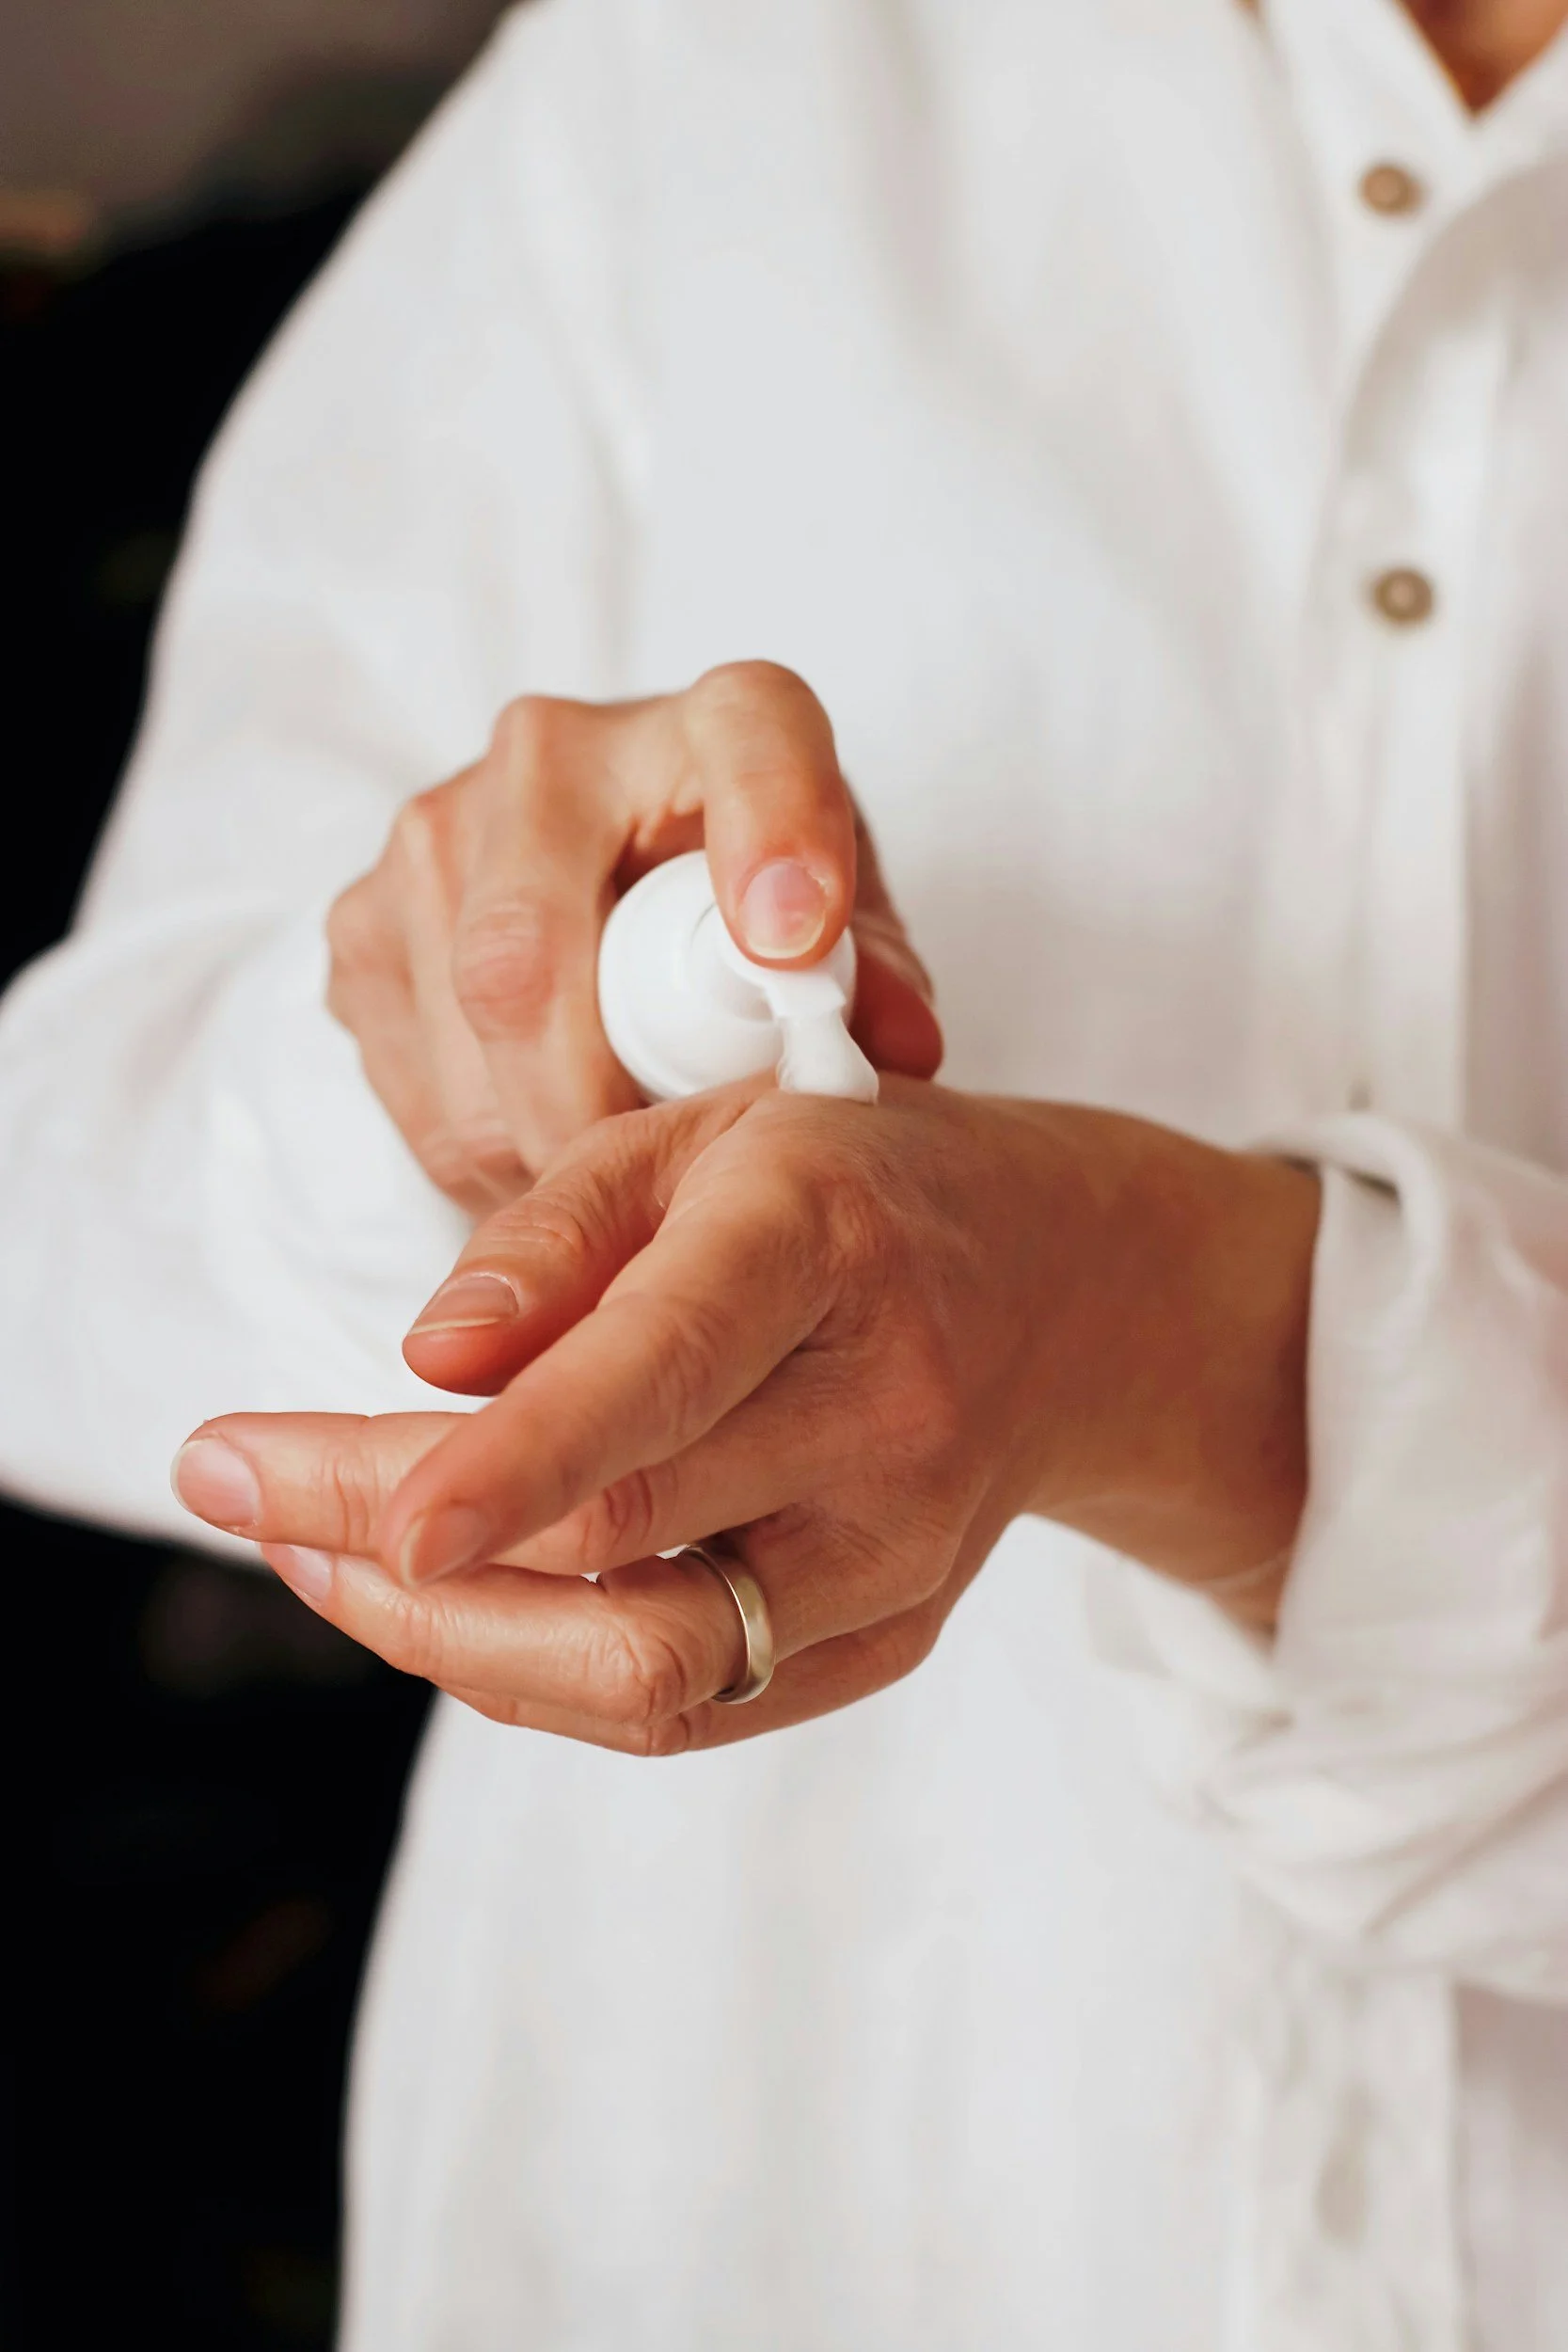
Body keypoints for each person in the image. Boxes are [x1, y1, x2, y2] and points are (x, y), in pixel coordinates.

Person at [3, 0, 1566, 2342]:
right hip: (716, 2231)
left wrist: (1182, 1338)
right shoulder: (709, 72)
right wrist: (462, 1055)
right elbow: (55, 1242)